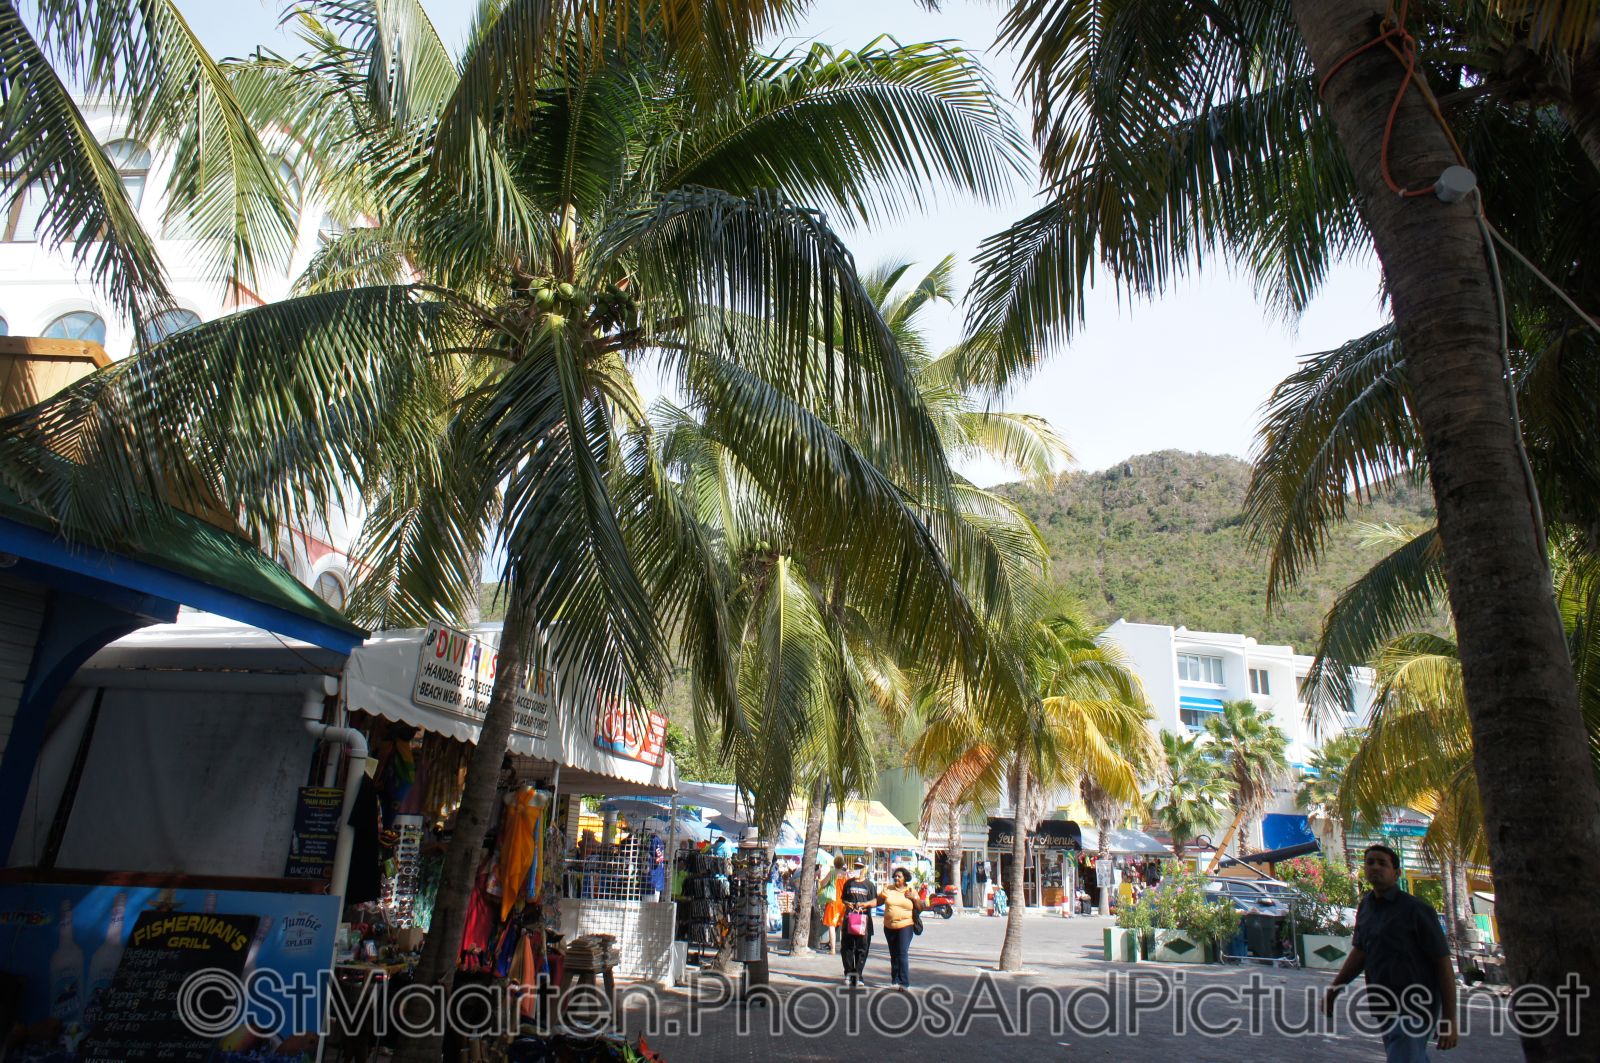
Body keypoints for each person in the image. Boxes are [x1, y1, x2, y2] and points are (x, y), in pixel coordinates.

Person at [1323, 844, 1457, 1061]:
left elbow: (1443, 964)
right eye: (1370, 862)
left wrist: (1449, 1019)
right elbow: (1360, 953)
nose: (1375, 867)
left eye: (1382, 863)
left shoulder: (1416, 910)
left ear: (1396, 873)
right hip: (1384, 1005)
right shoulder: (1366, 907)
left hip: (1415, 1007)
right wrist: (1334, 989)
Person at [878, 867, 927, 990]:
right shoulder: (888, 889)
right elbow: (878, 901)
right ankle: (895, 980)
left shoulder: (911, 891)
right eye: (895, 876)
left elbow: (920, 908)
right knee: (893, 954)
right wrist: (865, 904)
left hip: (906, 925)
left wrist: (914, 898)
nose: (896, 878)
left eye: (899, 876)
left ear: (905, 878)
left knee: (902, 952)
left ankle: (904, 982)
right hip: (889, 926)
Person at [839, 859, 877, 986]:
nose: (858, 869)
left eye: (860, 866)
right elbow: (843, 899)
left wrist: (864, 904)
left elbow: (875, 901)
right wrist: (848, 904)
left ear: (865, 868)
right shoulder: (848, 883)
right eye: (856, 866)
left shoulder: (869, 885)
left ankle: (858, 975)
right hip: (849, 919)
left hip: (864, 920)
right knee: (847, 948)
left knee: (862, 949)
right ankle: (848, 973)